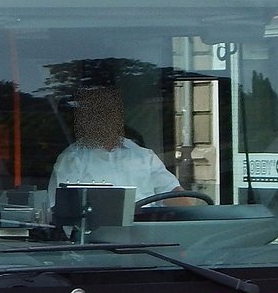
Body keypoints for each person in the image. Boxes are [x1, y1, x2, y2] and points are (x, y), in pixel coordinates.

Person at [48, 85, 182, 204]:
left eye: (109, 111)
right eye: (97, 113)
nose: (104, 119)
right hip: (98, 231)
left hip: (147, 229)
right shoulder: (72, 159)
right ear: (86, 118)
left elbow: (177, 195)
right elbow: (62, 211)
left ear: (118, 116)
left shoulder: (144, 156)